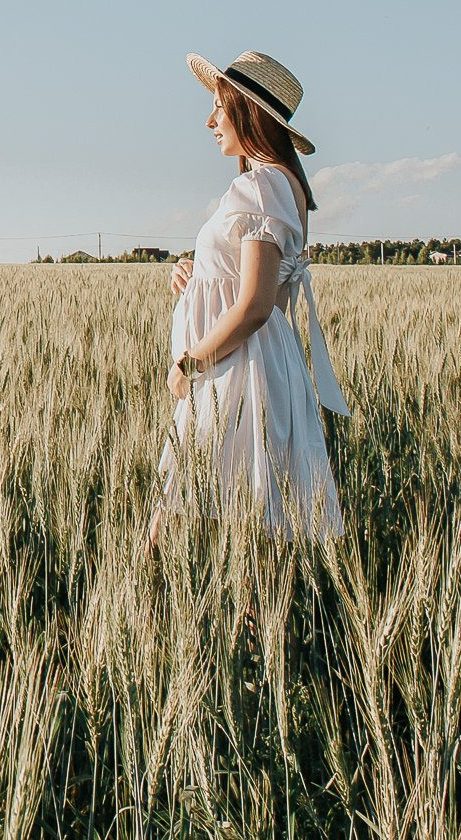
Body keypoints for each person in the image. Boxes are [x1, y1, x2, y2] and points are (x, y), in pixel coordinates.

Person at [145, 50, 350, 554]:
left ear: (249, 112)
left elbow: (257, 306)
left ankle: (140, 618)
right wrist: (198, 278)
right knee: (249, 525)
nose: (210, 119)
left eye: (219, 106)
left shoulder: (261, 185)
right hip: (255, 365)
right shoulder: (281, 185)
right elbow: (268, 296)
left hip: (235, 370)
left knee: (174, 519)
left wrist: (189, 364)